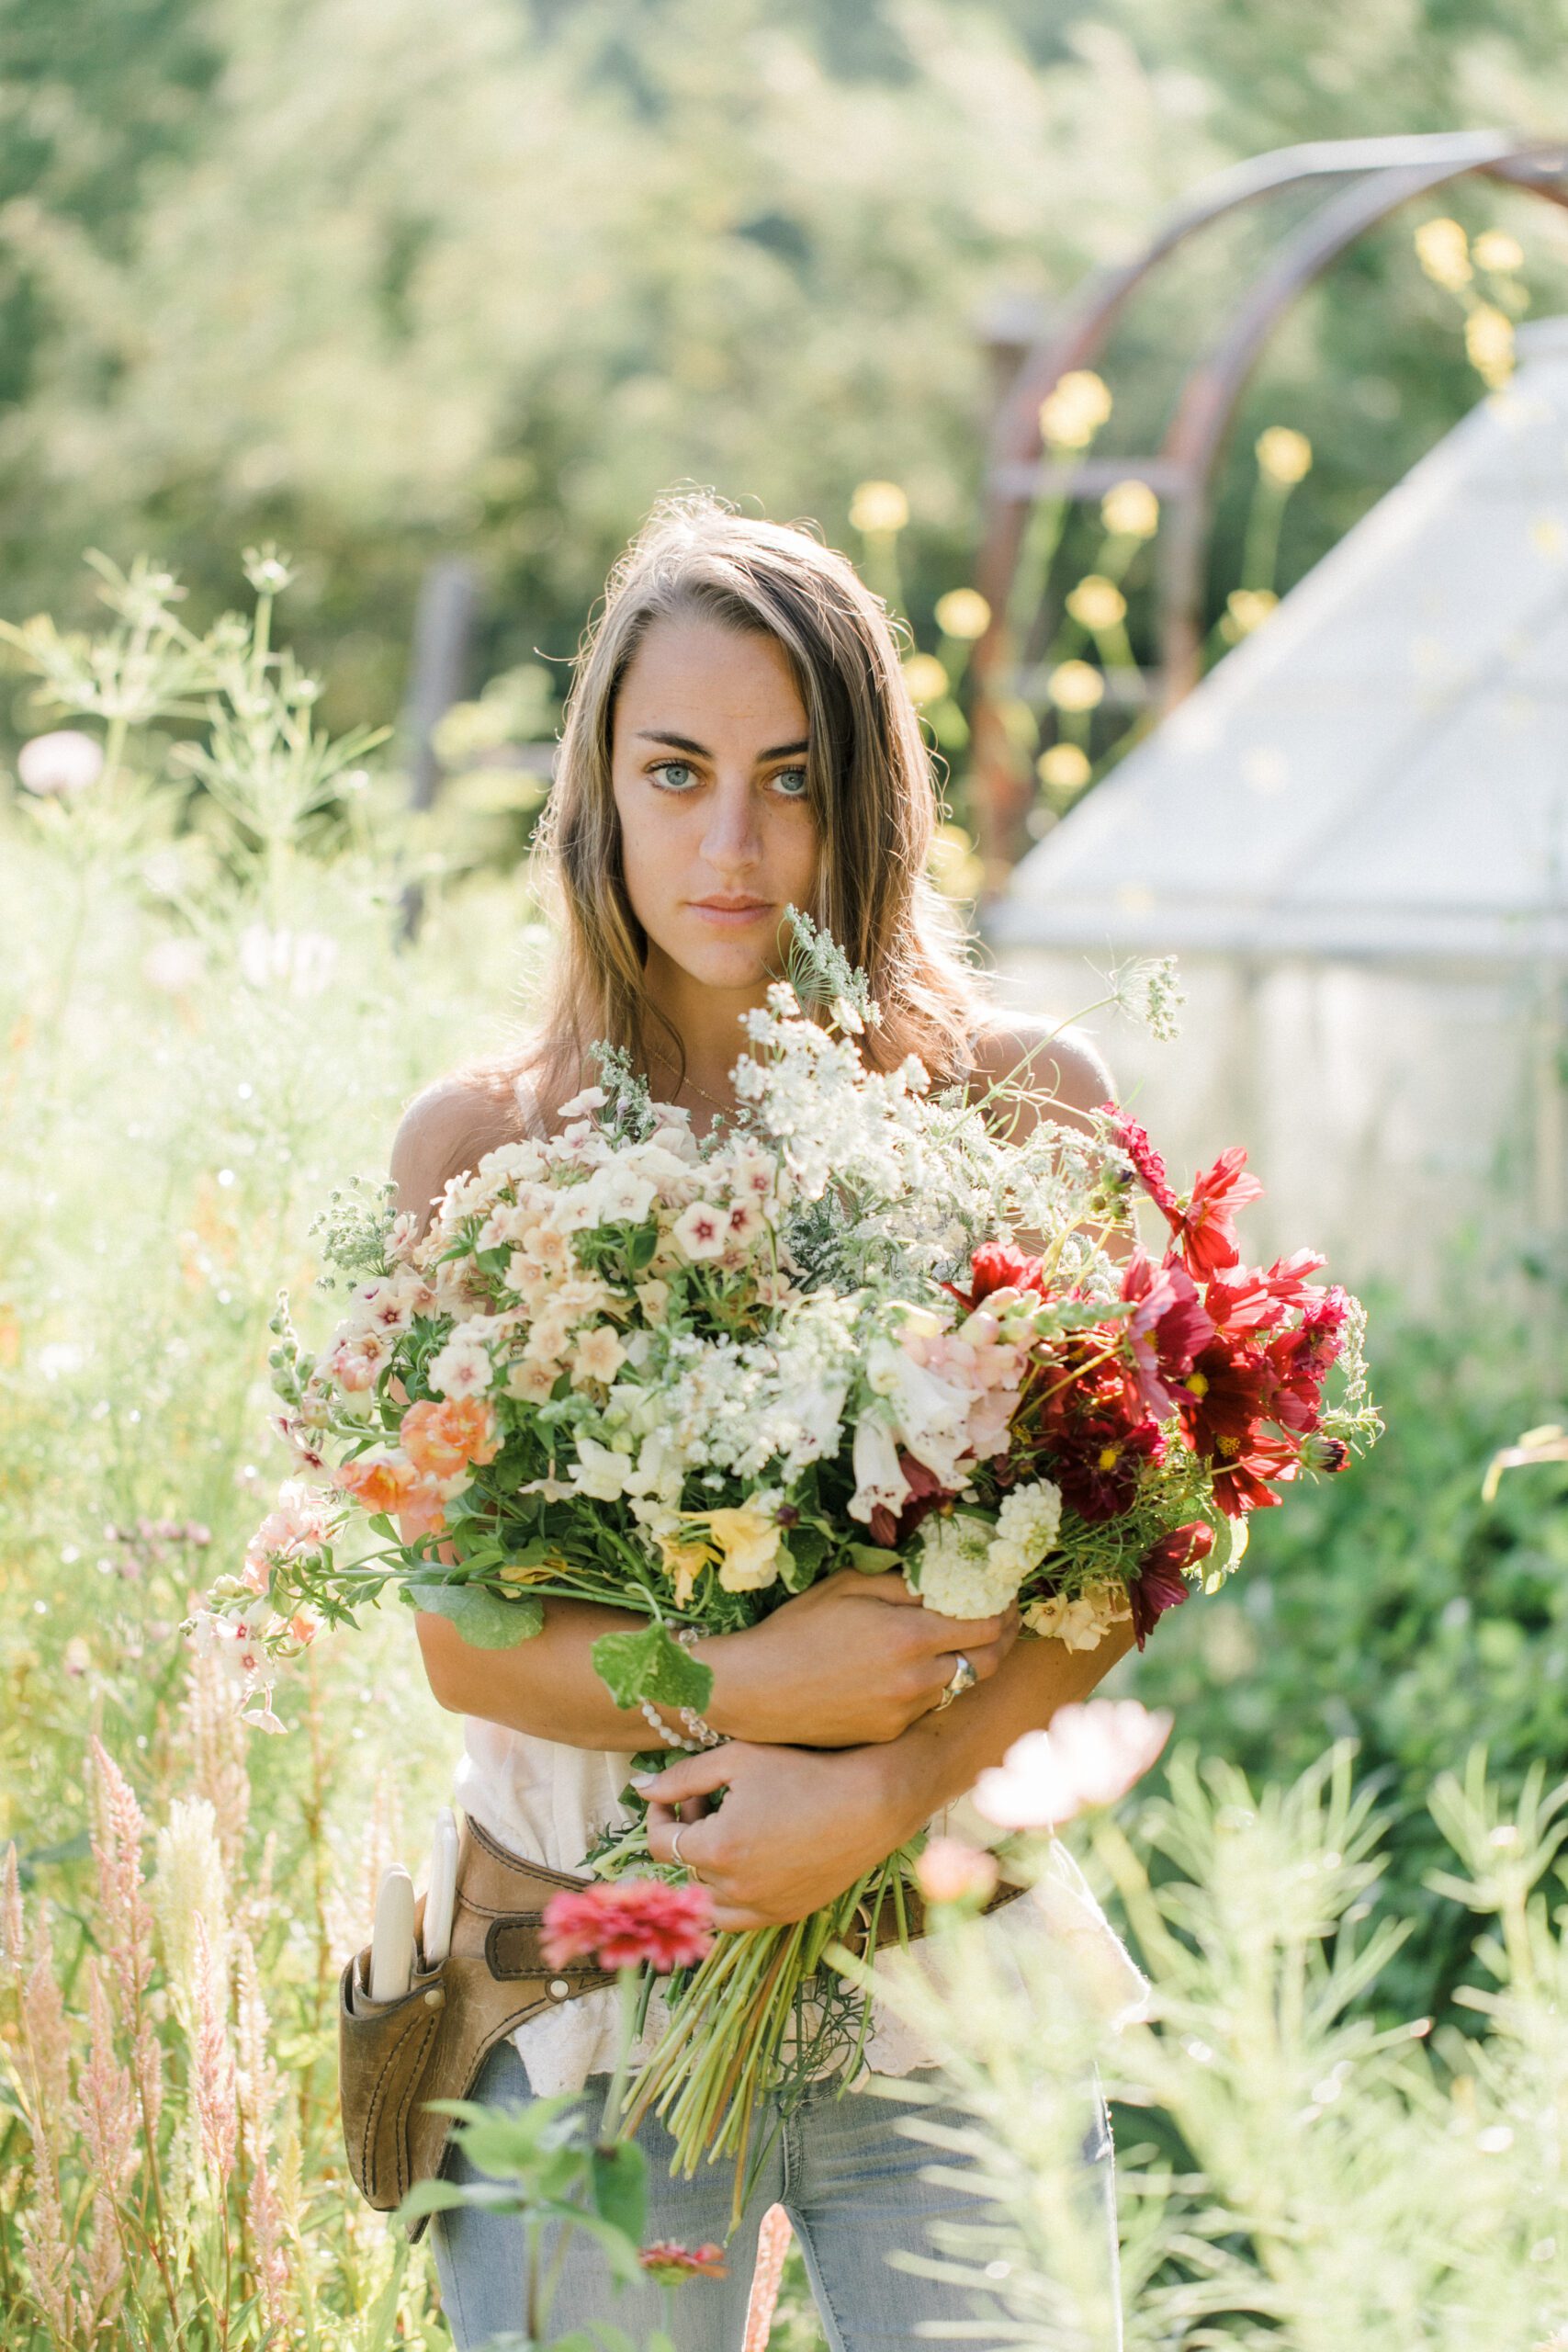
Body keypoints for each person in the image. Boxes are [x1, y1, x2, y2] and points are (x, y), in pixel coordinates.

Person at [390, 491, 1139, 2350]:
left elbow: (1122, 1566)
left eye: (792, 777)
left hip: (945, 1973)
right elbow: (458, 1644)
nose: (731, 842)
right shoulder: (481, 1151)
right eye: (676, 770)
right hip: (580, 2003)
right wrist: (756, 1682)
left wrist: (877, 1790)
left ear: (871, 798)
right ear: (597, 793)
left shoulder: (1025, 1110)